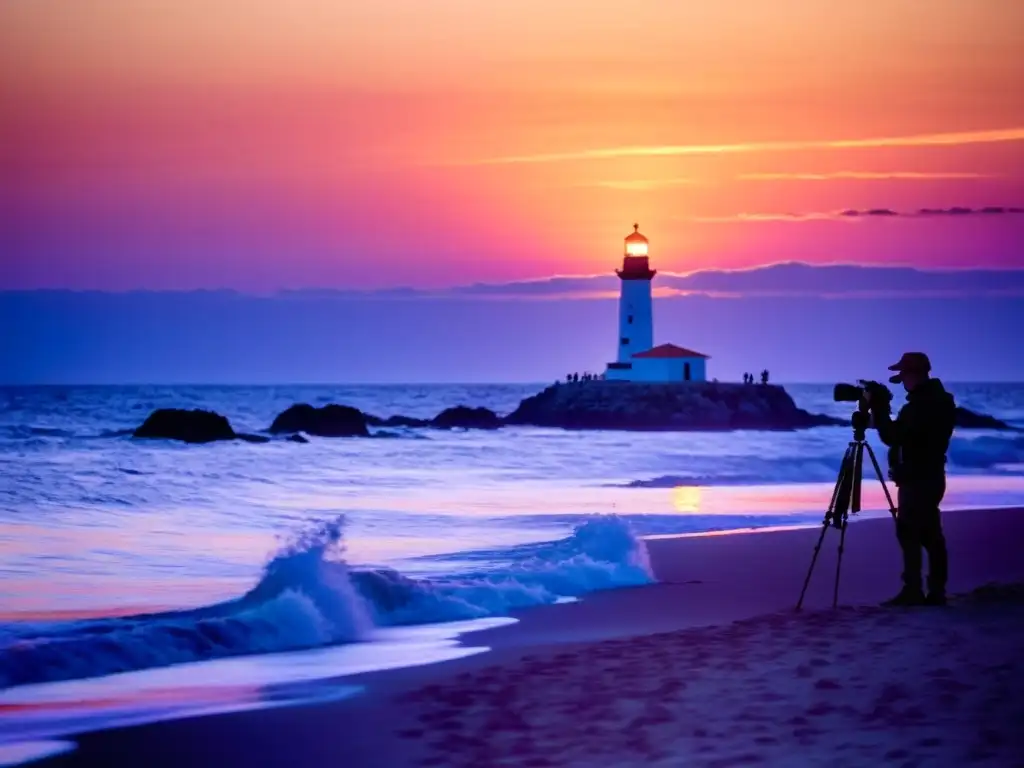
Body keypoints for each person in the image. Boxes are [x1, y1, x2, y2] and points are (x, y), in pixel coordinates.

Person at [865, 352, 956, 607]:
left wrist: (880, 410)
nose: (902, 380)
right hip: (931, 475)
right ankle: (936, 591)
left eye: (904, 374)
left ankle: (914, 590)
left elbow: (894, 436)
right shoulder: (939, 401)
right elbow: (911, 436)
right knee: (930, 533)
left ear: (913, 374)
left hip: (918, 479)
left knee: (911, 532)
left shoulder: (921, 405)